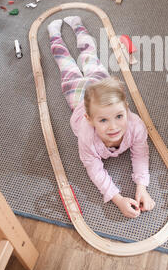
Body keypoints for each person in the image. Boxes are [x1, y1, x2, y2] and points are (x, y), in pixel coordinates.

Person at [47, 16, 155, 218]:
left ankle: (78, 25)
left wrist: (142, 187)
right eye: (103, 120)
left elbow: (141, 153)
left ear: (126, 109)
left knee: (89, 54)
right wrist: (117, 198)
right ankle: (54, 35)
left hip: (101, 85)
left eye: (119, 116)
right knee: (65, 62)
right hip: (79, 96)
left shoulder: (135, 125)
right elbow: (94, 170)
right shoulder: (87, 138)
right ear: (90, 119)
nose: (113, 127)